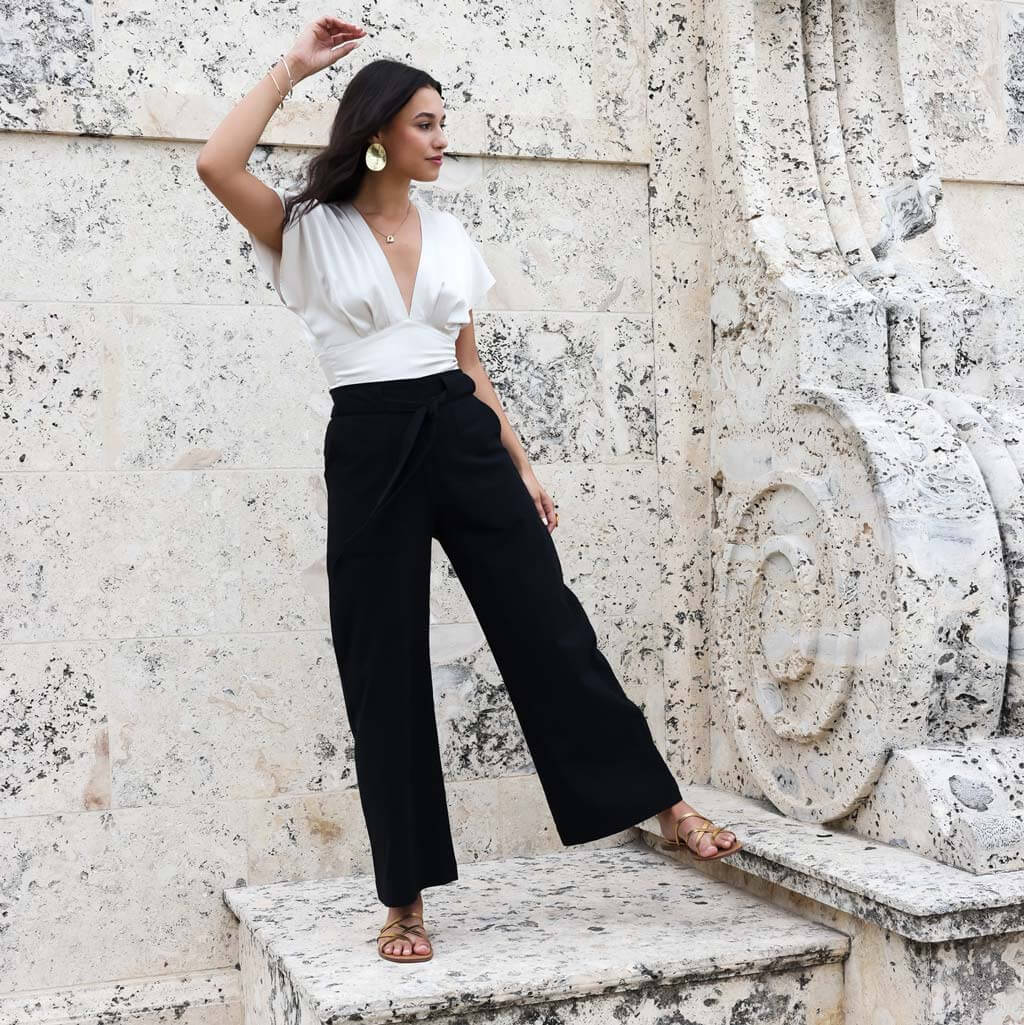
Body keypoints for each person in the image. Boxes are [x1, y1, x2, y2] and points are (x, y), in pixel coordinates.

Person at [196, 15, 742, 965]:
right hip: (368, 442)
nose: (443, 137)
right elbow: (214, 162)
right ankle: (404, 900)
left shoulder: (450, 236)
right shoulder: (308, 231)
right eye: (425, 123)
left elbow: (471, 367)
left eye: (445, 121)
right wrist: (291, 68)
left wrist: (521, 463)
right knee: (384, 665)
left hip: (460, 430)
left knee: (547, 622)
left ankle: (661, 804)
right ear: (378, 132)